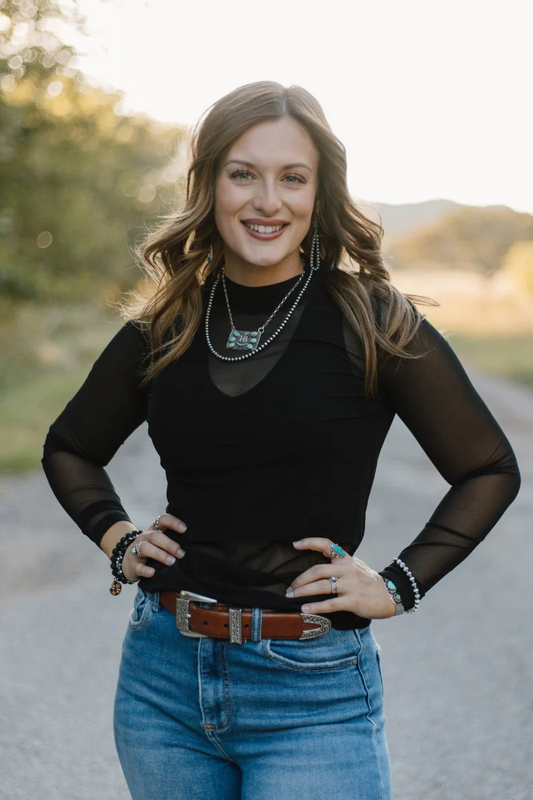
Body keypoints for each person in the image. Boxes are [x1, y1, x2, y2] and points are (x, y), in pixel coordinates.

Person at [41, 80, 521, 800]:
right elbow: (70, 446)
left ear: (318, 192)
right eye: (244, 173)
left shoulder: (372, 320)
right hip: (163, 682)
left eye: (291, 177)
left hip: (313, 695)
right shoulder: (166, 324)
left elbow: (487, 466)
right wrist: (115, 535)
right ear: (210, 185)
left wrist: (398, 584)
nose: (268, 200)